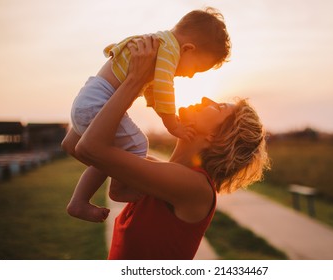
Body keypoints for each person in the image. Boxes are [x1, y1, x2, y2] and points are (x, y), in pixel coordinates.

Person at [72, 35, 270, 259]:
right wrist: (114, 79)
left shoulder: (194, 187)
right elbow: (76, 144)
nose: (206, 99)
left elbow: (89, 148)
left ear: (217, 137)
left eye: (218, 107)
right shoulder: (161, 173)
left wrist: (135, 80)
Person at [62, 7, 231, 222]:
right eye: (196, 69)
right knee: (138, 144)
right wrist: (172, 124)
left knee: (110, 154)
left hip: (88, 98)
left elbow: (151, 88)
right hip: (99, 103)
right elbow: (163, 88)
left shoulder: (158, 43)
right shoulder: (169, 51)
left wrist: (157, 109)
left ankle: (79, 200)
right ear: (188, 49)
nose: (190, 76)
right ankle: (117, 189)